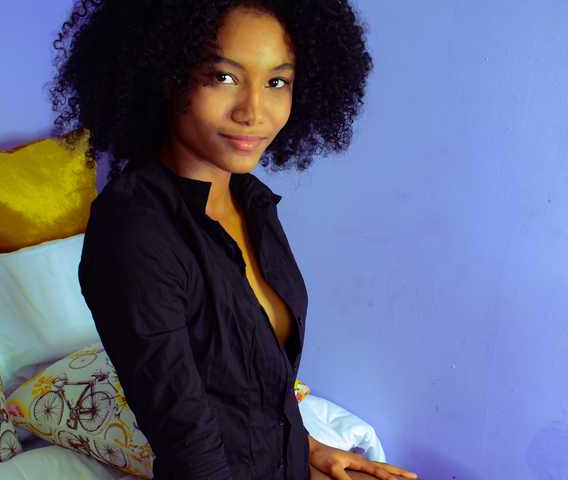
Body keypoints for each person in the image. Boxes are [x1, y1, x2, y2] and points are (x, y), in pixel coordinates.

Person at [49, 1, 419, 479]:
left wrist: (310, 449)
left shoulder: (250, 200)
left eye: (277, 82)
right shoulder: (133, 231)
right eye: (224, 77)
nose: (254, 112)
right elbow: (188, 442)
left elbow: (256, 386)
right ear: (166, 74)